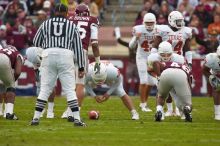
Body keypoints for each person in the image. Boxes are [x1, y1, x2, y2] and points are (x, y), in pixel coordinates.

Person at [30, 3, 86, 127]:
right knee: (70, 90)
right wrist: (81, 66)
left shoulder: (46, 23)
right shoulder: (72, 25)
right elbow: (78, 48)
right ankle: (77, 119)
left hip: (48, 54)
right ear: (67, 13)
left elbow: (36, 42)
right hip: (65, 55)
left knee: (45, 89)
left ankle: (35, 118)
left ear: (54, 12)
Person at [61, 3, 100, 118]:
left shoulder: (69, 19)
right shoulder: (92, 20)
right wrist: (97, 60)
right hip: (81, 51)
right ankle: (74, 111)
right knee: (80, 84)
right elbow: (94, 43)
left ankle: (68, 111)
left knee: (70, 84)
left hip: (67, 51)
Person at [152, 11, 192, 117]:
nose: (180, 23)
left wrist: (190, 63)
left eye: (181, 21)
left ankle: (178, 109)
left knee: (178, 87)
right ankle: (170, 109)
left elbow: (188, 49)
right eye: (178, 21)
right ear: (171, 20)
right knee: (165, 87)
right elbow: (155, 46)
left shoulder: (185, 31)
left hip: (179, 60)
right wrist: (154, 58)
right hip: (164, 60)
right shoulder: (163, 30)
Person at [150, 41, 192, 122]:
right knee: (185, 100)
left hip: (165, 75)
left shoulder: (155, 59)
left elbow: (154, 65)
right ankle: (186, 111)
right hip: (181, 76)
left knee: (161, 95)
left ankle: (159, 111)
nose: (165, 57)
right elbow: (188, 76)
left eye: (168, 54)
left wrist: (159, 76)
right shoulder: (182, 60)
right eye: (162, 54)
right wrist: (188, 90)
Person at [129, 13, 158, 112]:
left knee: (151, 82)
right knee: (144, 80)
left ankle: (144, 102)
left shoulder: (159, 30)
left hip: (152, 57)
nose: (149, 25)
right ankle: (142, 104)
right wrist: (136, 38)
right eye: (147, 22)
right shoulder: (138, 29)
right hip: (141, 56)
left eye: (151, 23)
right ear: (143, 22)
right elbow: (131, 46)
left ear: (155, 22)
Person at [26, 47, 56, 119]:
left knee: (51, 86)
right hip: (42, 66)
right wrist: (38, 82)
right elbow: (36, 70)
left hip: (51, 66)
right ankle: (41, 109)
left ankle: (50, 110)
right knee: (39, 88)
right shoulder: (34, 57)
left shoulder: (47, 55)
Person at [0, 45, 24, 120]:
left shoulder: (3, 50)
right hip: (3, 59)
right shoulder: (18, 54)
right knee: (10, 86)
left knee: (0, 85)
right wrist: (12, 82)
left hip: (2, 57)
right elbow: (17, 72)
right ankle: (9, 113)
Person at [202, 45, 220, 120]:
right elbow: (205, 70)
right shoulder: (212, 58)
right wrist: (211, 77)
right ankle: (217, 114)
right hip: (217, 75)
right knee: (217, 89)